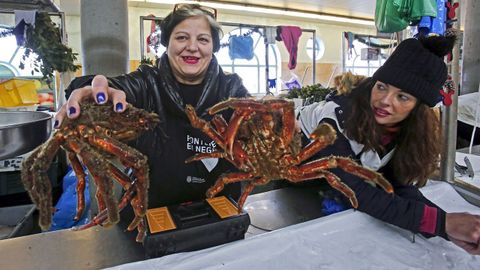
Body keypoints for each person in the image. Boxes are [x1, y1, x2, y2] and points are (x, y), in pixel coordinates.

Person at [297, 34, 480, 255]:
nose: (385, 100)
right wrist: (442, 223)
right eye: (382, 87)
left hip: (338, 176)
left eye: (402, 97)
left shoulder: (403, 131)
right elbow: (355, 191)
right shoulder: (336, 119)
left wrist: (448, 227)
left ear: (417, 109)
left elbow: (397, 185)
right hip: (299, 177)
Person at [54, 4, 250, 210]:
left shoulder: (232, 89)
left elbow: (258, 122)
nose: (192, 47)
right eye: (182, 37)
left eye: (203, 39)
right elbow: (113, 87)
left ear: (213, 47)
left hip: (221, 210)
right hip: (150, 210)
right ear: (167, 43)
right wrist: (91, 91)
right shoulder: (146, 82)